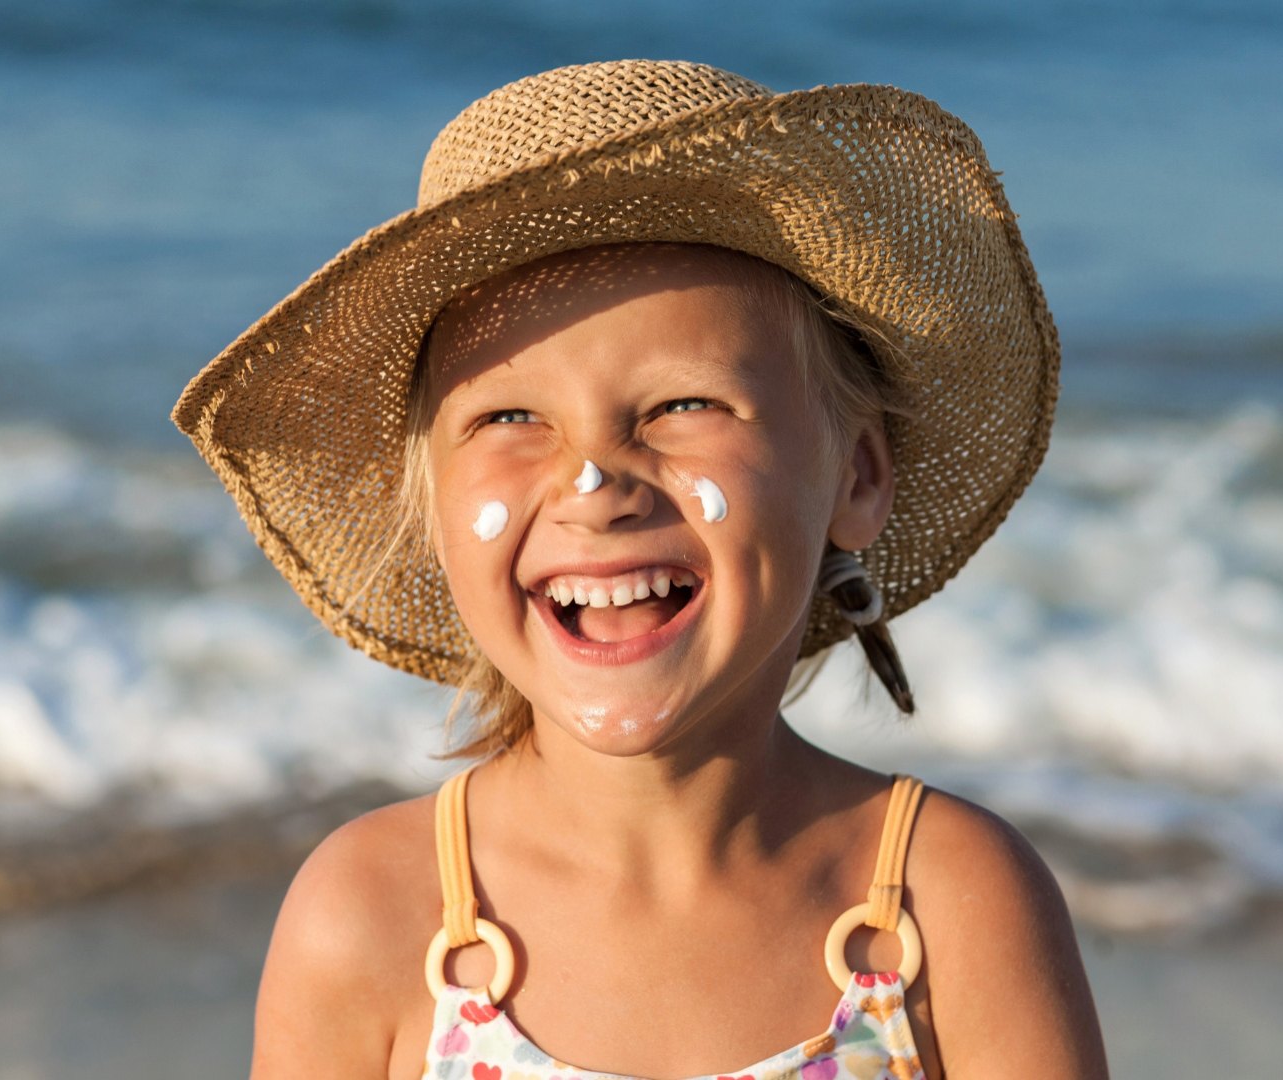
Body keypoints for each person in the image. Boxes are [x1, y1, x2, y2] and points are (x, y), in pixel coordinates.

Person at [174, 60, 1108, 1079]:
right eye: (510, 419)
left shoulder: (946, 901)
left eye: (681, 406)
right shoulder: (373, 917)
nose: (593, 484)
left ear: (858, 475)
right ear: (435, 510)